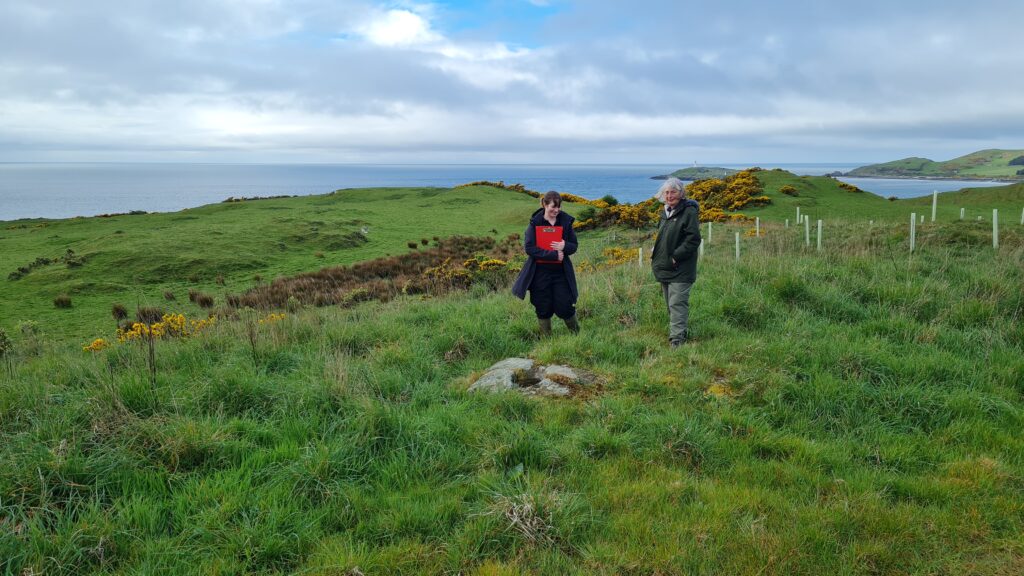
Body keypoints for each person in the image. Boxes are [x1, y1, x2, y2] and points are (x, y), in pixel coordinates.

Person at [512, 191, 580, 336]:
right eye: (552, 207)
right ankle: (546, 342)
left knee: (565, 305)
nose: (556, 210)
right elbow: (529, 248)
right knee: (542, 307)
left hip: (561, 272)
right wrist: (553, 255)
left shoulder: (565, 222)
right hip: (539, 273)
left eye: (558, 207)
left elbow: (574, 246)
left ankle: (577, 335)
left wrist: (564, 246)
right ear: (544, 205)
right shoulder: (535, 223)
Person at [651, 178, 701, 347]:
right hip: (665, 266)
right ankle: (679, 332)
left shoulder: (689, 212)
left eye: (673, 192)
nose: (669, 195)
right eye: (666, 192)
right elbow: (664, 238)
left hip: (681, 267)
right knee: (670, 305)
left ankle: (677, 340)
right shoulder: (665, 212)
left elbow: (693, 239)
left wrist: (675, 256)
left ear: (681, 193)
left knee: (677, 303)